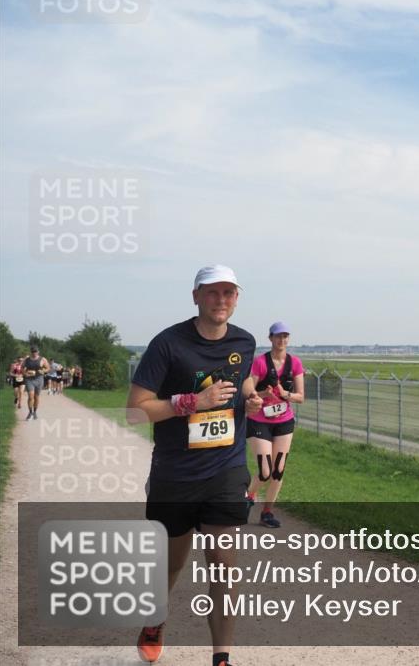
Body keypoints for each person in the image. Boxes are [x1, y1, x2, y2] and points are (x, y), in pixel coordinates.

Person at [126, 265, 261, 666]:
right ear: (196, 296)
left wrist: (251, 398)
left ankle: (222, 658)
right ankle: (155, 621)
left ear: (237, 298)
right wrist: (192, 403)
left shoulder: (245, 341)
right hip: (176, 474)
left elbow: (243, 382)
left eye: (229, 293)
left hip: (225, 469)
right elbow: (135, 412)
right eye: (213, 292)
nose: (221, 300)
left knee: (222, 563)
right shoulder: (167, 344)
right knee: (172, 564)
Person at [245, 321, 305, 528]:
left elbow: (300, 397)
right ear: (270, 338)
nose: (282, 340)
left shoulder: (294, 363)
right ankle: (249, 496)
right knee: (264, 471)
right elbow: (248, 390)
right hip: (259, 421)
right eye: (278, 336)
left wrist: (284, 394)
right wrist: (263, 394)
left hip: (284, 422)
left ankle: (267, 512)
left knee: (278, 470)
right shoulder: (260, 362)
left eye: (285, 336)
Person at [22, 346, 49, 420]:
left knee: (36, 397)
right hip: (29, 379)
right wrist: (25, 374)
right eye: (33, 351)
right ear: (31, 352)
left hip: (39, 379)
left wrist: (43, 371)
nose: (34, 353)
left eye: (35, 351)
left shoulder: (42, 359)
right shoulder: (27, 360)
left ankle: (35, 412)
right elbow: (22, 367)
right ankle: (30, 412)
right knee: (31, 396)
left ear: (38, 352)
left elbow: (48, 368)